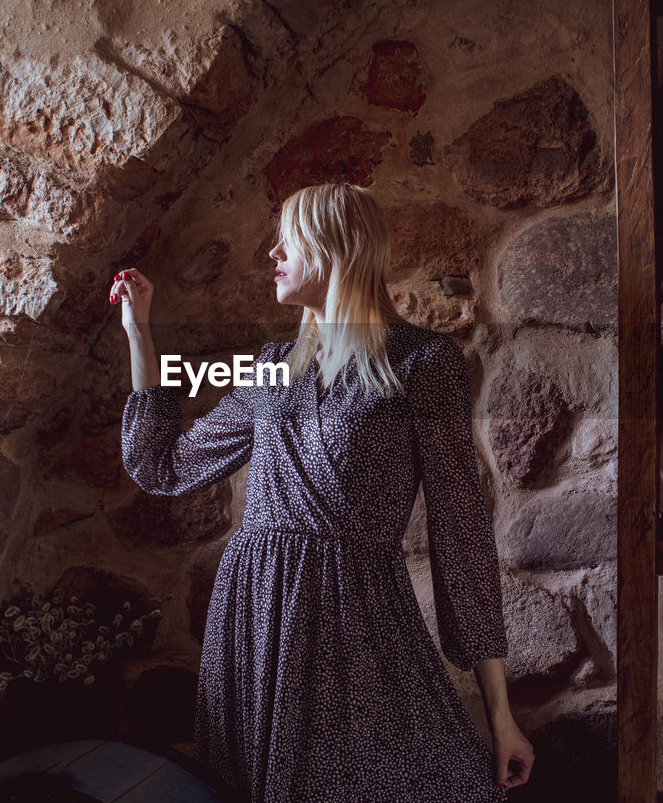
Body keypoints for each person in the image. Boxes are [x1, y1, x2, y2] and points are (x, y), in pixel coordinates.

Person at [112, 182, 535, 803]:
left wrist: (500, 714)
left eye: (291, 237)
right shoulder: (272, 367)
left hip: (354, 617)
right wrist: (138, 333)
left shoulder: (423, 362)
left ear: (336, 246)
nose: (274, 253)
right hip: (255, 615)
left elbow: (460, 532)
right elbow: (163, 467)